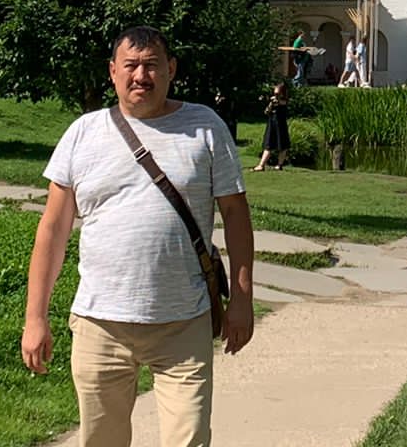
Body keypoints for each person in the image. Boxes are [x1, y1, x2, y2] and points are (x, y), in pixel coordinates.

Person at [21, 26, 254, 446]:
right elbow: (52, 230)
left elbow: (236, 216)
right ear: (113, 72)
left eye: (151, 66)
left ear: (171, 70)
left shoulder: (204, 127)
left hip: (183, 323)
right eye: (130, 65)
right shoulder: (83, 133)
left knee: (190, 439)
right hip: (100, 323)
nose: (140, 76)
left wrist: (241, 299)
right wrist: (35, 317)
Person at [254, 82, 290, 171]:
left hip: (280, 124)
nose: (275, 95)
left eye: (277, 93)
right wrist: (270, 104)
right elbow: (266, 111)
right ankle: (261, 165)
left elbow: (282, 103)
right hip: (272, 123)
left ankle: (279, 164)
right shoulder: (273, 101)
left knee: (282, 145)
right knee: (268, 145)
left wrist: (275, 100)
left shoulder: (284, 100)